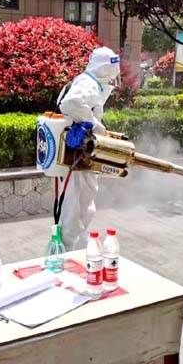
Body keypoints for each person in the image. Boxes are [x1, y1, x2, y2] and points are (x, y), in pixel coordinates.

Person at [56, 46, 121, 251]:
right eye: (112, 68)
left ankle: (79, 246)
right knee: (75, 205)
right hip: (75, 153)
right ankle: (67, 251)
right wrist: (96, 125)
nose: (115, 73)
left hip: (80, 153)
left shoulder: (90, 82)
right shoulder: (88, 83)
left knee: (84, 201)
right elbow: (71, 103)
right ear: (104, 67)